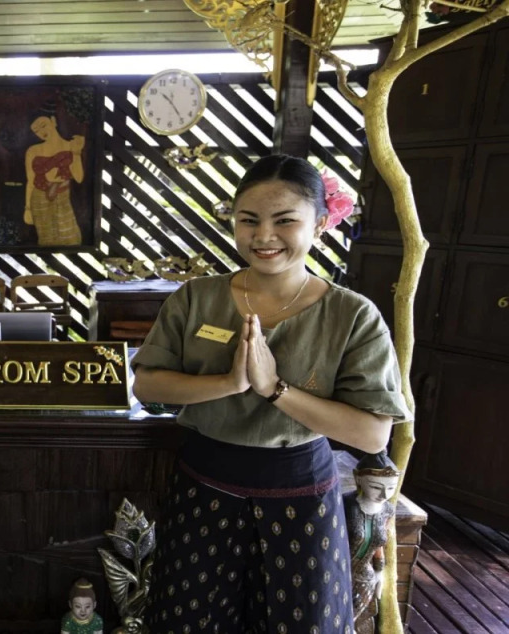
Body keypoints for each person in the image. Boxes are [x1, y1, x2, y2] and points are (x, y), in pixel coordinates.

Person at [131, 154, 410, 634]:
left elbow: (371, 434)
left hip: (301, 496)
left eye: (284, 221)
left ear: (319, 224)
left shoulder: (352, 315)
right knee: (188, 621)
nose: (263, 236)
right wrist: (229, 383)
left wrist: (274, 389)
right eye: (249, 220)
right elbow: (148, 383)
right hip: (203, 487)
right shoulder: (196, 297)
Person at [344, 452, 400, 624]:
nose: (383, 494)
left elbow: (378, 544)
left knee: (354, 613)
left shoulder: (387, 510)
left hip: (364, 572)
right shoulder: (347, 504)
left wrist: (379, 572)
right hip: (340, 566)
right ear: (358, 479)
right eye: (376, 487)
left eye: (390, 488)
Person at [23, 104, 85, 246]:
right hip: (38, 198)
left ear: (53, 121)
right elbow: (30, 181)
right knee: (46, 239)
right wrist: (28, 208)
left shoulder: (71, 146)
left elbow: (79, 178)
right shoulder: (32, 151)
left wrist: (76, 153)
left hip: (62, 196)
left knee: (70, 237)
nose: (41, 132)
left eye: (43, 125)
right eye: (36, 130)